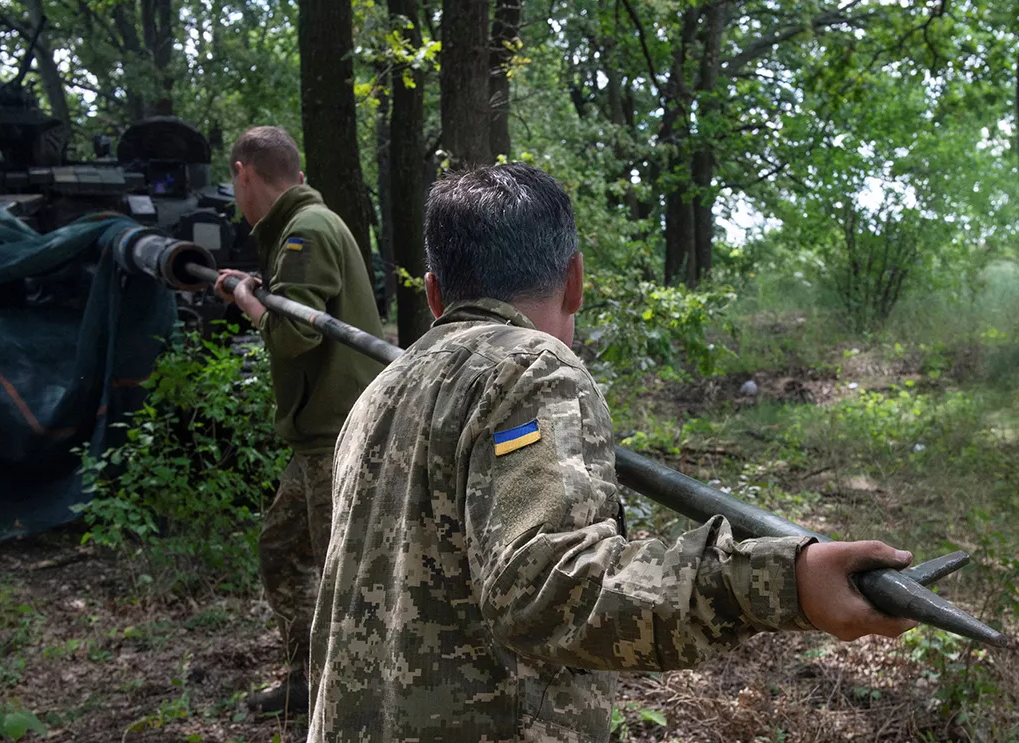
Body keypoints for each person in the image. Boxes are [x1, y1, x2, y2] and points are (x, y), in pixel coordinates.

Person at [307, 163, 917, 741]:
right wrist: (786, 581)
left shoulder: (379, 393)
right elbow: (546, 589)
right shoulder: (530, 369)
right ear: (575, 279)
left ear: (435, 294)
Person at [214, 126, 385, 715]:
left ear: (244, 173)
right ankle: (306, 675)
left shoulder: (305, 231)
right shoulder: (306, 225)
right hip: (320, 430)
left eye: (234, 184)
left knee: (339, 570)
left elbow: (294, 336)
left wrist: (247, 303)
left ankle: (346, 695)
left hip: (333, 434)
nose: (235, 197)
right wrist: (263, 290)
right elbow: (305, 310)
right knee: (282, 550)